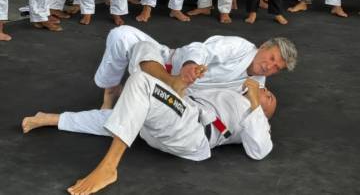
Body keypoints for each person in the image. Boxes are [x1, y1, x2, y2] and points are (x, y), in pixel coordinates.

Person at [22, 43, 277, 194]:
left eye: (270, 97)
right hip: (181, 112)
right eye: (267, 91)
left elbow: (260, 150)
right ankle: (53, 119)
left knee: (142, 84)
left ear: (267, 113)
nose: (266, 91)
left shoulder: (258, 121)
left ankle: (109, 167)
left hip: (193, 133)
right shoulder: (234, 92)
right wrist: (187, 78)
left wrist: (255, 102)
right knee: (142, 57)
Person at [94, 25, 297, 109]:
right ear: (263, 46)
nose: (269, 66)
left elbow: (244, 110)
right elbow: (202, 50)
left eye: (276, 67)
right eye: (271, 58)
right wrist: (191, 65)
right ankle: (111, 89)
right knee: (121, 35)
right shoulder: (240, 47)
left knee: (142, 103)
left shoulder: (256, 85)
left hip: (184, 98)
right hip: (168, 63)